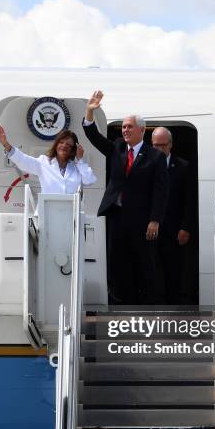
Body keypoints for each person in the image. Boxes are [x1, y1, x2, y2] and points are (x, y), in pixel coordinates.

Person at [82, 90, 168, 305]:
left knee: (145, 262)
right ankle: (120, 302)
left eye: (129, 126)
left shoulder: (155, 156)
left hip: (142, 220)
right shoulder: (118, 148)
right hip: (117, 216)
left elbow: (161, 190)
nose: (125, 130)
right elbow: (94, 137)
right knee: (117, 261)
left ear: (142, 130)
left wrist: (155, 220)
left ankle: (149, 305)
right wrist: (89, 112)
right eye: (123, 127)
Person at [151, 126, 192, 304]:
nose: (159, 149)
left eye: (163, 145)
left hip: (174, 229)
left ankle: (174, 307)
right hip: (149, 229)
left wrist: (186, 227)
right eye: (155, 146)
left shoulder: (183, 167)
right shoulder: (143, 165)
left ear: (171, 145)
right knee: (151, 270)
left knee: (173, 270)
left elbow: (190, 200)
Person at [0, 125, 97, 193]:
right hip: (47, 214)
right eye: (61, 142)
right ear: (56, 145)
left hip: (71, 217)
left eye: (68, 144)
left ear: (73, 149)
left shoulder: (77, 168)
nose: (64, 146)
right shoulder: (44, 162)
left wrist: (80, 159)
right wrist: (6, 144)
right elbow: (23, 160)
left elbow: (90, 180)